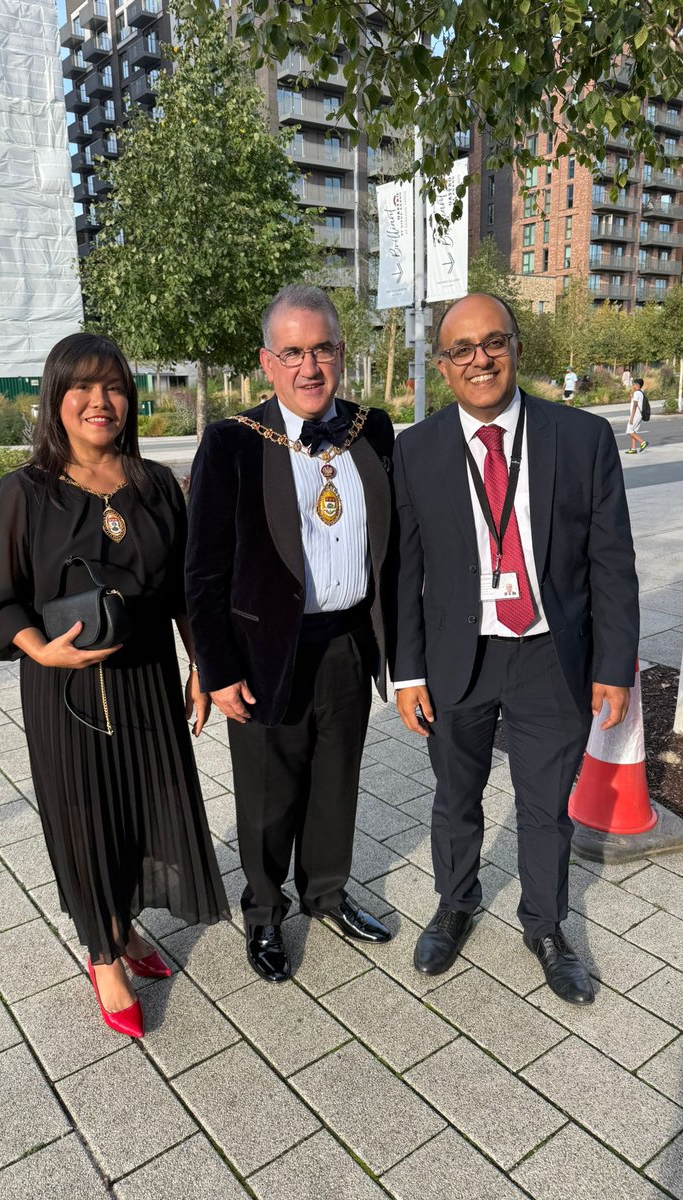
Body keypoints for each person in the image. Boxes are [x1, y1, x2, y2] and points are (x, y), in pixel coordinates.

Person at [393, 293, 639, 1006]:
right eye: (461, 349)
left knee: (544, 808)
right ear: (443, 365)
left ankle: (547, 927)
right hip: (456, 661)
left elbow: (611, 562)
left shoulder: (581, 437)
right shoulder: (416, 450)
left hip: (547, 656)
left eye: (493, 341)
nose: (480, 359)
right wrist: (407, 671)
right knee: (455, 798)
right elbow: (404, 572)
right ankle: (454, 903)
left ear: (516, 347)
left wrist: (613, 665)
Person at [0, 332, 228, 1038]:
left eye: (113, 386)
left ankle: (123, 926)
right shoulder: (25, 493)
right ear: (55, 399)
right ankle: (102, 951)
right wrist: (41, 652)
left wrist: (201, 663)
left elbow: (186, 587)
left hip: (148, 679)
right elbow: (2, 599)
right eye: (82, 387)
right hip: (68, 692)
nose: (100, 401)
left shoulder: (154, 486)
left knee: (146, 806)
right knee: (86, 816)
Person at [186, 285, 395, 983]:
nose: (311, 367)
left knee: (337, 781)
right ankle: (266, 912)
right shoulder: (231, 443)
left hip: (348, 642)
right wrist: (214, 669)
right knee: (270, 794)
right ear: (267, 363)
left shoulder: (374, 429)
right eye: (293, 353)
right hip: (264, 654)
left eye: (323, 349)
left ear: (342, 353)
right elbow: (203, 573)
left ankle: (328, 894)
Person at [626, 378, 648, 453]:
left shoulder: (636, 393)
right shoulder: (641, 392)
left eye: (633, 384)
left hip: (636, 415)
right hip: (639, 415)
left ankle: (642, 442)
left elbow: (635, 405)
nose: (632, 386)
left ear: (636, 385)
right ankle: (633, 448)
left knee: (629, 430)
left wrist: (632, 417)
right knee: (633, 431)